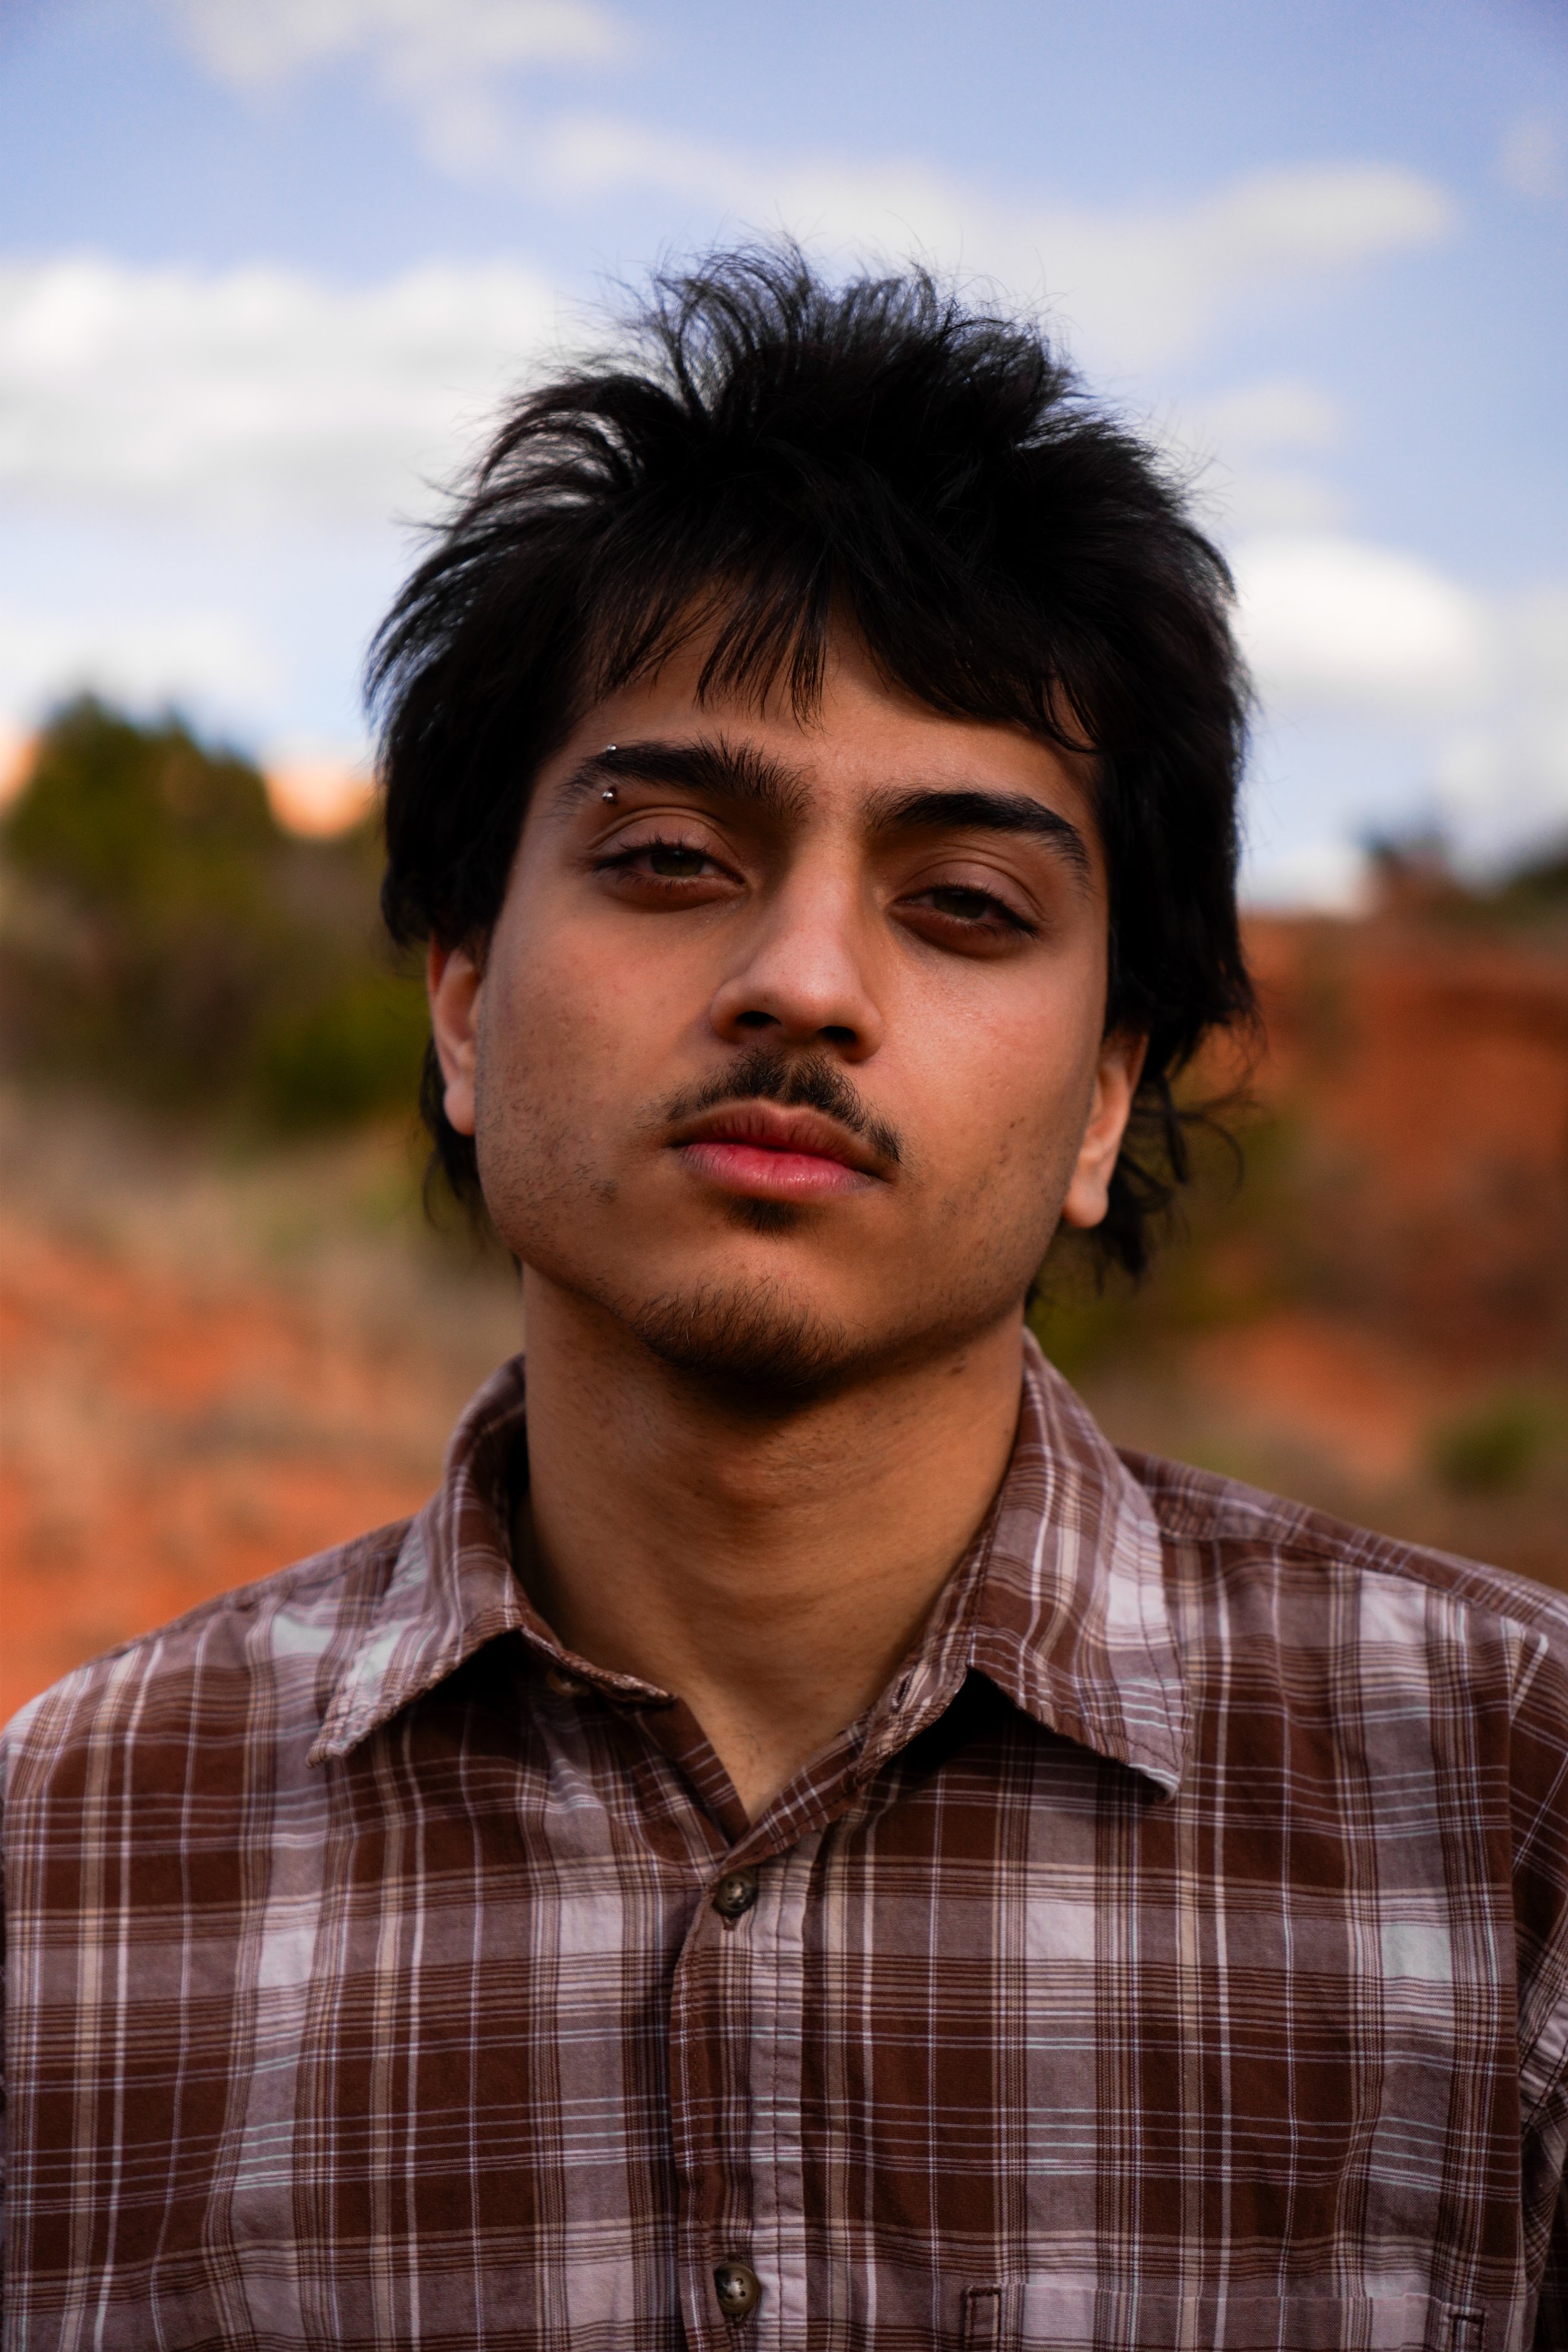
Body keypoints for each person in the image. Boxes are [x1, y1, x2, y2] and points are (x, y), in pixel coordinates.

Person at [3, 250, 1565, 2352]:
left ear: (1107, 1098)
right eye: (669, 858)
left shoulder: (1512, 1815)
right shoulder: (67, 1870)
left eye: (965, 903)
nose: (804, 983)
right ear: (461, 1003)